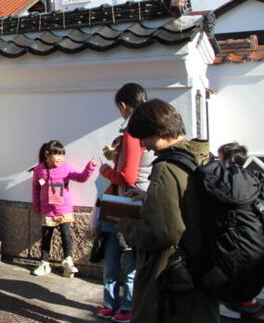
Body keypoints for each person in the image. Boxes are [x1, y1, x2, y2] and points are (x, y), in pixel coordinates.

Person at [114, 99, 218, 322]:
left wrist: (125, 224)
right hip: (203, 273)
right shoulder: (203, 157)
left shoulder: (166, 168)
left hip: (171, 281)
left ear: (158, 132)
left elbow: (161, 233)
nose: (144, 145)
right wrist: (149, 197)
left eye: (144, 138)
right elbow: (189, 204)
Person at [96, 83, 154, 322]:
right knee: (128, 258)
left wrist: (106, 171)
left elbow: (127, 176)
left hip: (125, 202)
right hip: (139, 199)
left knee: (120, 257)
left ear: (123, 105)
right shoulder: (149, 129)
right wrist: (116, 156)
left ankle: (121, 306)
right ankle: (124, 306)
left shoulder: (132, 132)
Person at [31, 140, 98, 277]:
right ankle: (44, 263)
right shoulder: (39, 169)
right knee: (46, 236)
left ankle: (67, 260)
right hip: (47, 210)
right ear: (47, 154)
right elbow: (35, 187)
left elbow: (81, 178)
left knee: (66, 234)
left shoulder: (65, 168)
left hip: (64, 209)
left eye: (62, 155)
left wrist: (90, 167)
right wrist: (36, 204)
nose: (60, 158)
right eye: (57, 154)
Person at [215, 142, 264, 320]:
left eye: (220, 158)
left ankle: (242, 302)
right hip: (255, 235)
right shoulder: (256, 177)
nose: (218, 162)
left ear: (231, 159)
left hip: (236, 237)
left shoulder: (227, 182)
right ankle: (248, 302)